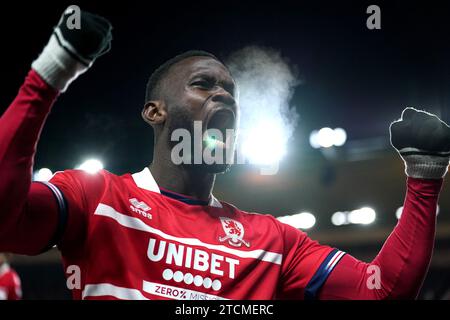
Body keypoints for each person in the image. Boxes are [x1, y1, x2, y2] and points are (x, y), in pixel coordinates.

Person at [0, 7, 449, 300]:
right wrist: (51, 72)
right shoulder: (95, 198)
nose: (226, 97)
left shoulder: (273, 241)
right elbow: (6, 219)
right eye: (204, 85)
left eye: (231, 91)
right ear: (154, 111)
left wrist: (424, 176)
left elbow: (383, 290)